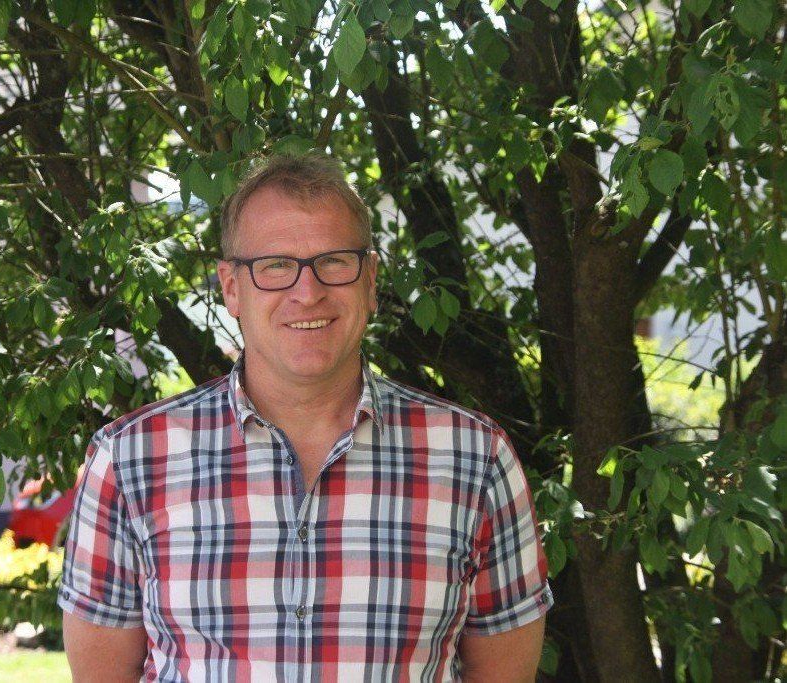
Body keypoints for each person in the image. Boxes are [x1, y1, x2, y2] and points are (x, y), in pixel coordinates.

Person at [58, 152, 554, 682]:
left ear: (370, 280)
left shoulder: (475, 460)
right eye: (275, 265)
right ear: (231, 287)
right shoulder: (129, 461)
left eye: (334, 261)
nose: (308, 291)